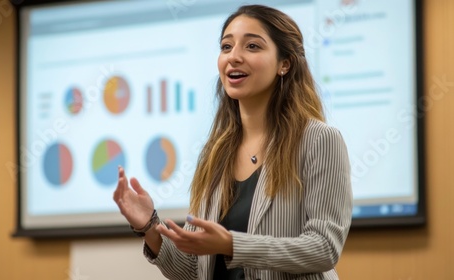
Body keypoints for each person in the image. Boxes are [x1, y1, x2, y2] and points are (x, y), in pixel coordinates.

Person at [113, 4, 352, 280]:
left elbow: (324, 248)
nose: (234, 57)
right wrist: (149, 227)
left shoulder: (319, 140)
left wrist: (231, 245)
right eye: (226, 47)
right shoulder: (216, 153)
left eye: (252, 46)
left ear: (284, 64)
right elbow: (195, 271)